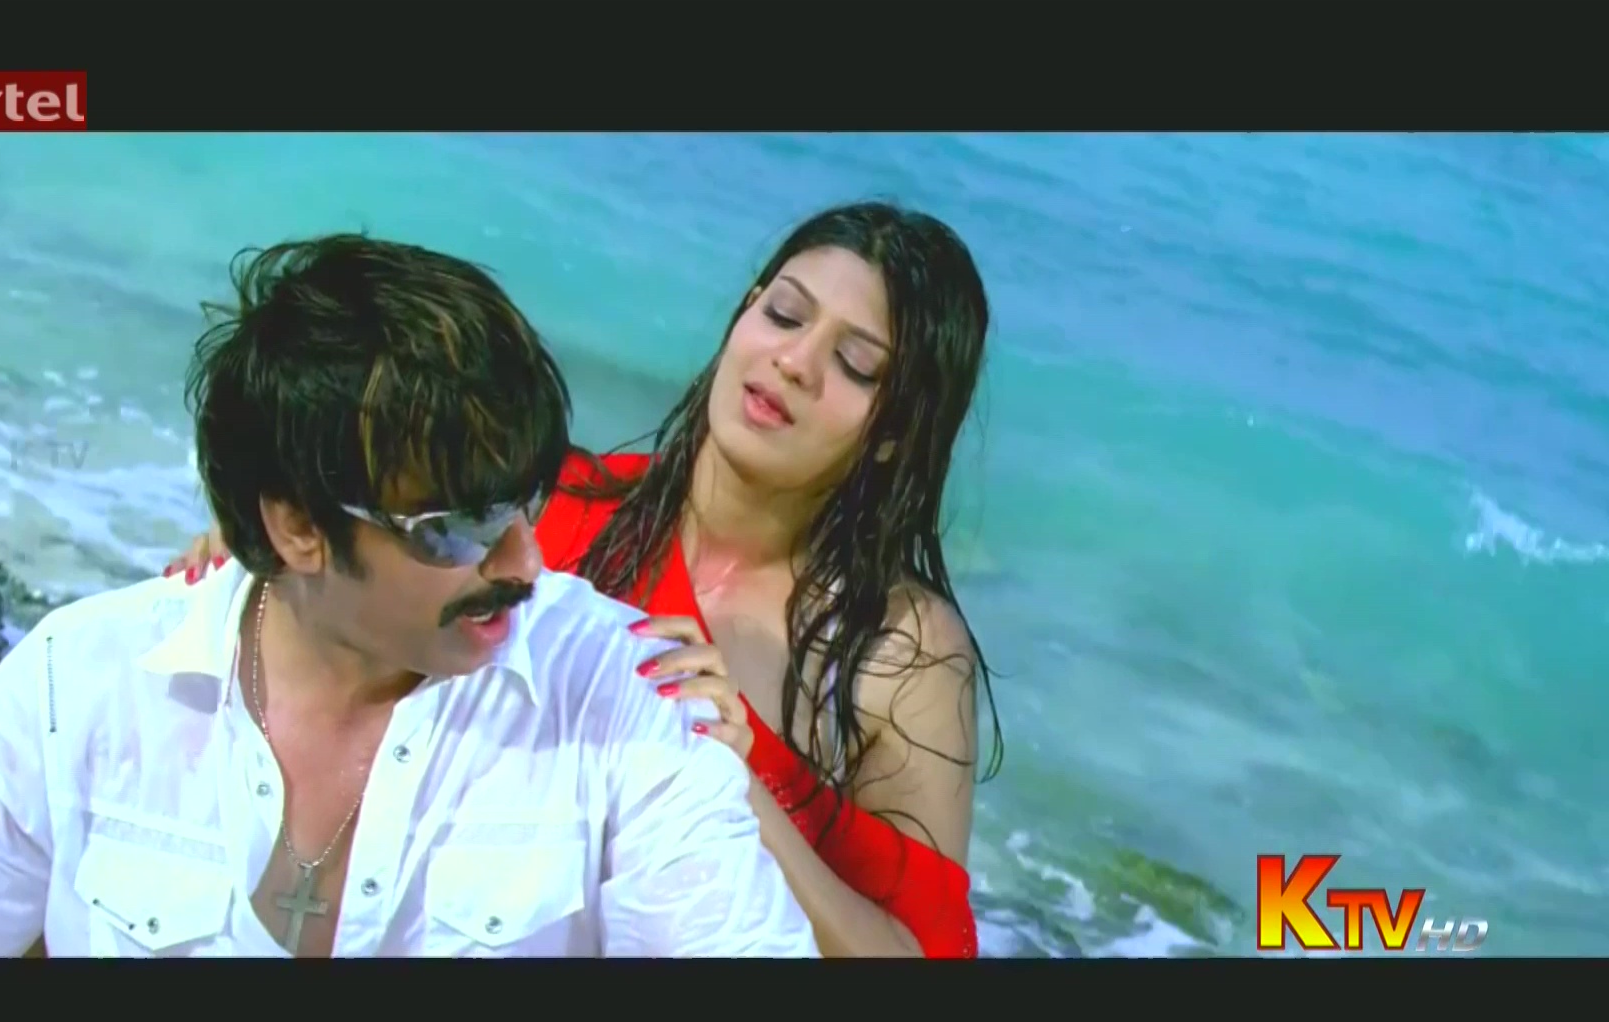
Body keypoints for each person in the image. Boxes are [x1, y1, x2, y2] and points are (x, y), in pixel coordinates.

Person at [0, 233, 820, 959]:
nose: (524, 561)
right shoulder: (87, 680)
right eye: (454, 527)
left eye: (525, 503)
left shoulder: (618, 703)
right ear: (297, 527)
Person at [170, 202, 1003, 958]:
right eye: (783, 314)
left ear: (898, 432)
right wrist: (285, 566)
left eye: (856, 365)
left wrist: (733, 784)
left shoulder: (900, 651)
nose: (794, 362)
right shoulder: (553, 511)